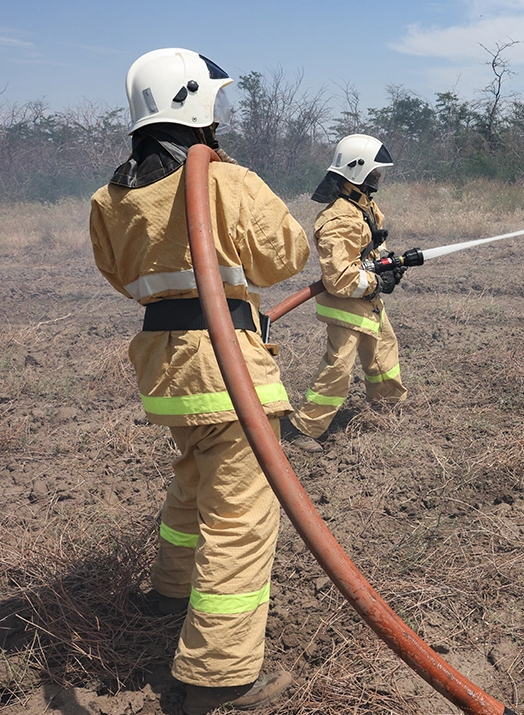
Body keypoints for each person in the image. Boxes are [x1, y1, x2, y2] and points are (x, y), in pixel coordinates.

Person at [89, 48, 310, 715]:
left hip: (169, 375)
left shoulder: (111, 198)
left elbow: (123, 277)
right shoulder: (225, 182)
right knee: (240, 519)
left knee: (193, 484)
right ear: (195, 103)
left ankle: (168, 592)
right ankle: (219, 677)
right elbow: (287, 255)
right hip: (228, 369)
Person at [281, 134, 408, 453]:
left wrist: (387, 263)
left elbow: (371, 246)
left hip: (367, 301)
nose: (378, 177)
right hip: (347, 305)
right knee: (338, 367)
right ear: (358, 170)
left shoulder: (363, 205)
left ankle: (387, 407)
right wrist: (379, 282)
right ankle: (302, 429)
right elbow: (339, 277)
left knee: (384, 350)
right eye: (374, 171)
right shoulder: (338, 216)